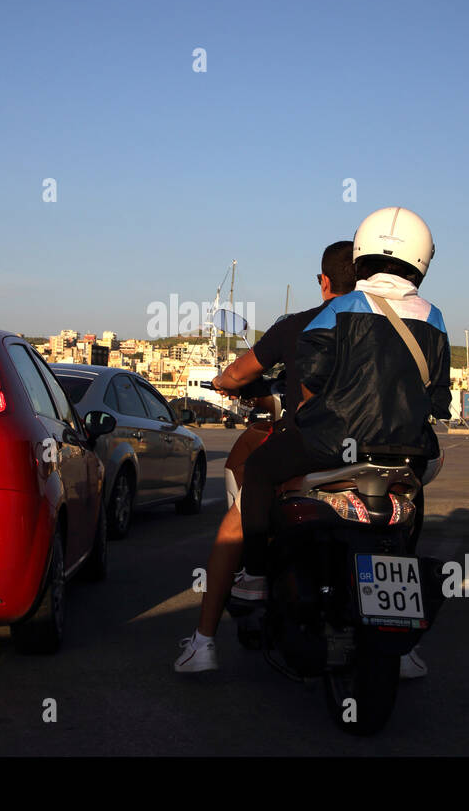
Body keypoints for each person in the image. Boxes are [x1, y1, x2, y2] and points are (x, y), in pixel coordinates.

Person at [176, 209, 451, 678]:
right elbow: (440, 400)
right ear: (422, 259)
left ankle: (255, 576)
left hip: (332, 445)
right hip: (407, 453)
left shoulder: (336, 312)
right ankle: (402, 642)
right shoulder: (436, 317)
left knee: (261, 470)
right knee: (409, 507)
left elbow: (315, 382)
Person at [174, 241, 355, 674]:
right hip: (375, 451)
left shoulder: (299, 326)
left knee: (235, 520)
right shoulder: (382, 329)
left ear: (324, 281)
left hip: (311, 449)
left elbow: (240, 372)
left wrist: (223, 380)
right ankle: (403, 651)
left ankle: (205, 641)